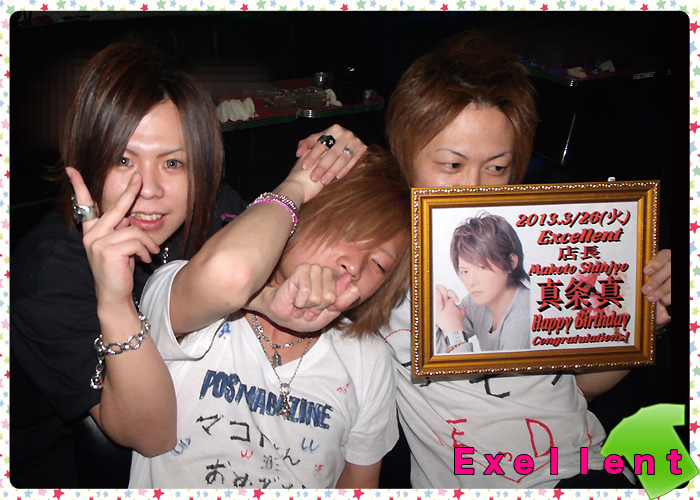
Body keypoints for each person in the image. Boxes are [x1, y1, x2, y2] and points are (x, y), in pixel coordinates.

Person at [298, 30, 672, 488]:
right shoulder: (378, 260)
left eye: (496, 167)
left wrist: (639, 320)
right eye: (451, 165)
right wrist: (312, 177)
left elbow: (575, 389)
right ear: (404, 158)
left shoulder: (543, 251)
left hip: (588, 470)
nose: (474, 187)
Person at [10, 39, 365, 488]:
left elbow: (278, 266)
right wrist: (116, 302)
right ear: (86, 158)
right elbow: (151, 434)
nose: (149, 189)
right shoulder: (48, 272)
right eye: (123, 159)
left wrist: (327, 166)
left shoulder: (214, 211)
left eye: (173, 163)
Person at [68, 144, 411, 488]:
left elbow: (358, 483)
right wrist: (295, 190)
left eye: (379, 264)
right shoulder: (185, 294)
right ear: (299, 215)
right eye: (348, 232)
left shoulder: (368, 359)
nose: (354, 266)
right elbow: (227, 274)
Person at [434, 212, 530, 354]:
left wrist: (455, 333)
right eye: (465, 271)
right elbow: (440, 349)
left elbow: (464, 366)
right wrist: (437, 309)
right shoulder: (476, 303)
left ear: (511, 263)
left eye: (482, 268)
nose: (471, 282)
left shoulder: (523, 317)